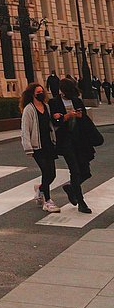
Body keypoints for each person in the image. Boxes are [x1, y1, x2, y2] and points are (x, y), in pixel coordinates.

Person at [58, 78, 96, 214]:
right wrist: (63, 117)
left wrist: (80, 117)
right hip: (66, 143)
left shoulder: (77, 101)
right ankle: (81, 202)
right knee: (75, 171)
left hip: (80, 141)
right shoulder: (55, 102)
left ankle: (71, 188)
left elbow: (85, 120)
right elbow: (54, 121)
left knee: (86, 172)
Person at [20, 80, 59, 212]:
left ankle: (40, 189)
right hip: (37, 146)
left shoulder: (46, 106)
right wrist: (28, 147)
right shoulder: (29, 109)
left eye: (42, 92)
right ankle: (47, 200)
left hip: (48, 144)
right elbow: (25, 130)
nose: (41, 94)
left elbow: (51, 124)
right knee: (46, 171)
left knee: (52, 174)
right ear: (32, 94)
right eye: (38, 93)